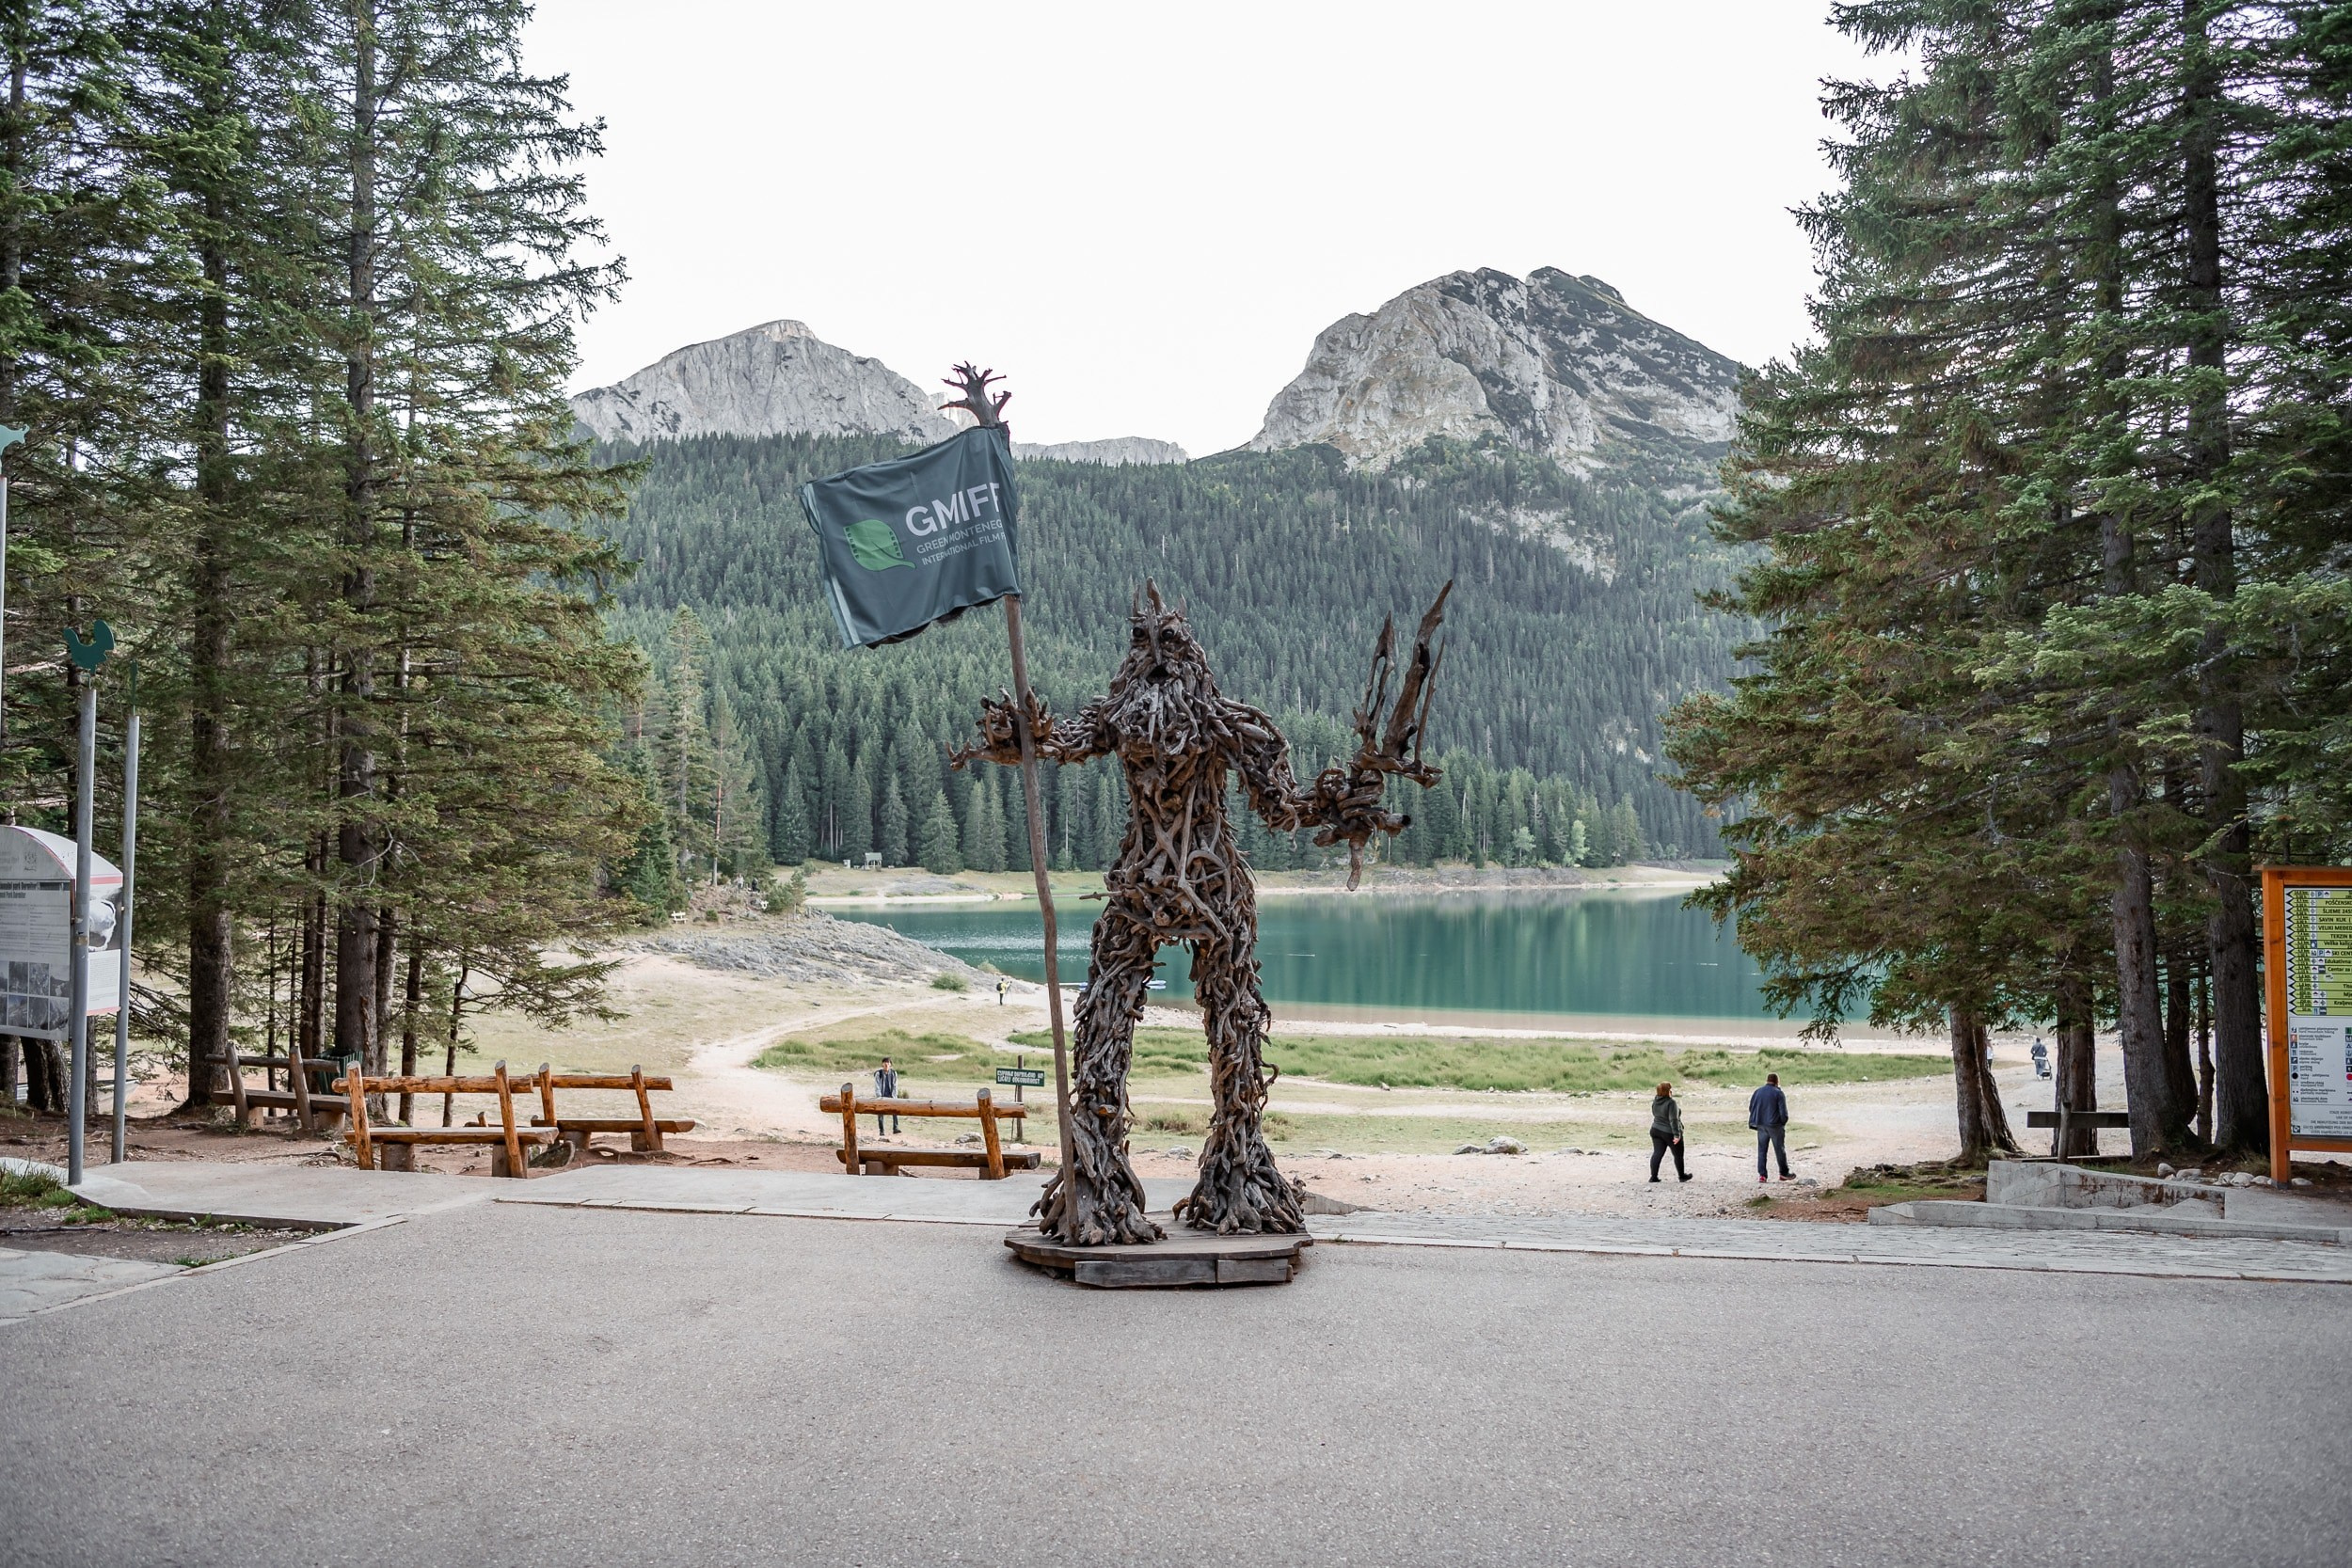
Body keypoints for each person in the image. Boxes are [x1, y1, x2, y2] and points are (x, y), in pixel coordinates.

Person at [1749, 1071, 1793, 1182]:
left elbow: (1751, 1107)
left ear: (1767, 1080)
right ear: (1777, 1081)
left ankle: (1762, 1175)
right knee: (1780, 1150)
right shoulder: (1778, 1093)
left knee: (1762, 1150)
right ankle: (1783, 1173)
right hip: (1775, 1125)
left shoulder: (1757, 1092)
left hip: (1760, 1124)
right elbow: (1783, 1113)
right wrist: (1782, 1122)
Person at [1649, 1082, 1692, 1182]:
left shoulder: (1655, 1101)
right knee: (1678, 1155)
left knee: (1657, 1153)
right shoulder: (1671, 1103)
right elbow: (1674, 1120)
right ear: (1667, 1091)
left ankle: (1653, 1177)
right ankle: (1682, 1176)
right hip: (1668, 1132)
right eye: (1669, 1090)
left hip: (1655, 1129)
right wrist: (1677, 1135)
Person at [872, 1056, 900, 1136]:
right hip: (882, 1095)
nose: (886, 1065)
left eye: (888, 1063)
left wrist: (894, 1097)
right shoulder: (879, 1073)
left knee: (895, 1110)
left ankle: (895, 1127)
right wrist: (879, 1096)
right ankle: (881, 1130)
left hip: (891, 1095)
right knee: (880, 1113)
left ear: (890, 1064)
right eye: (885, 1063)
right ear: (882, 1064)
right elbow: (877, 1086)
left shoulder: (894, 1073)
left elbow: (895, 1085)